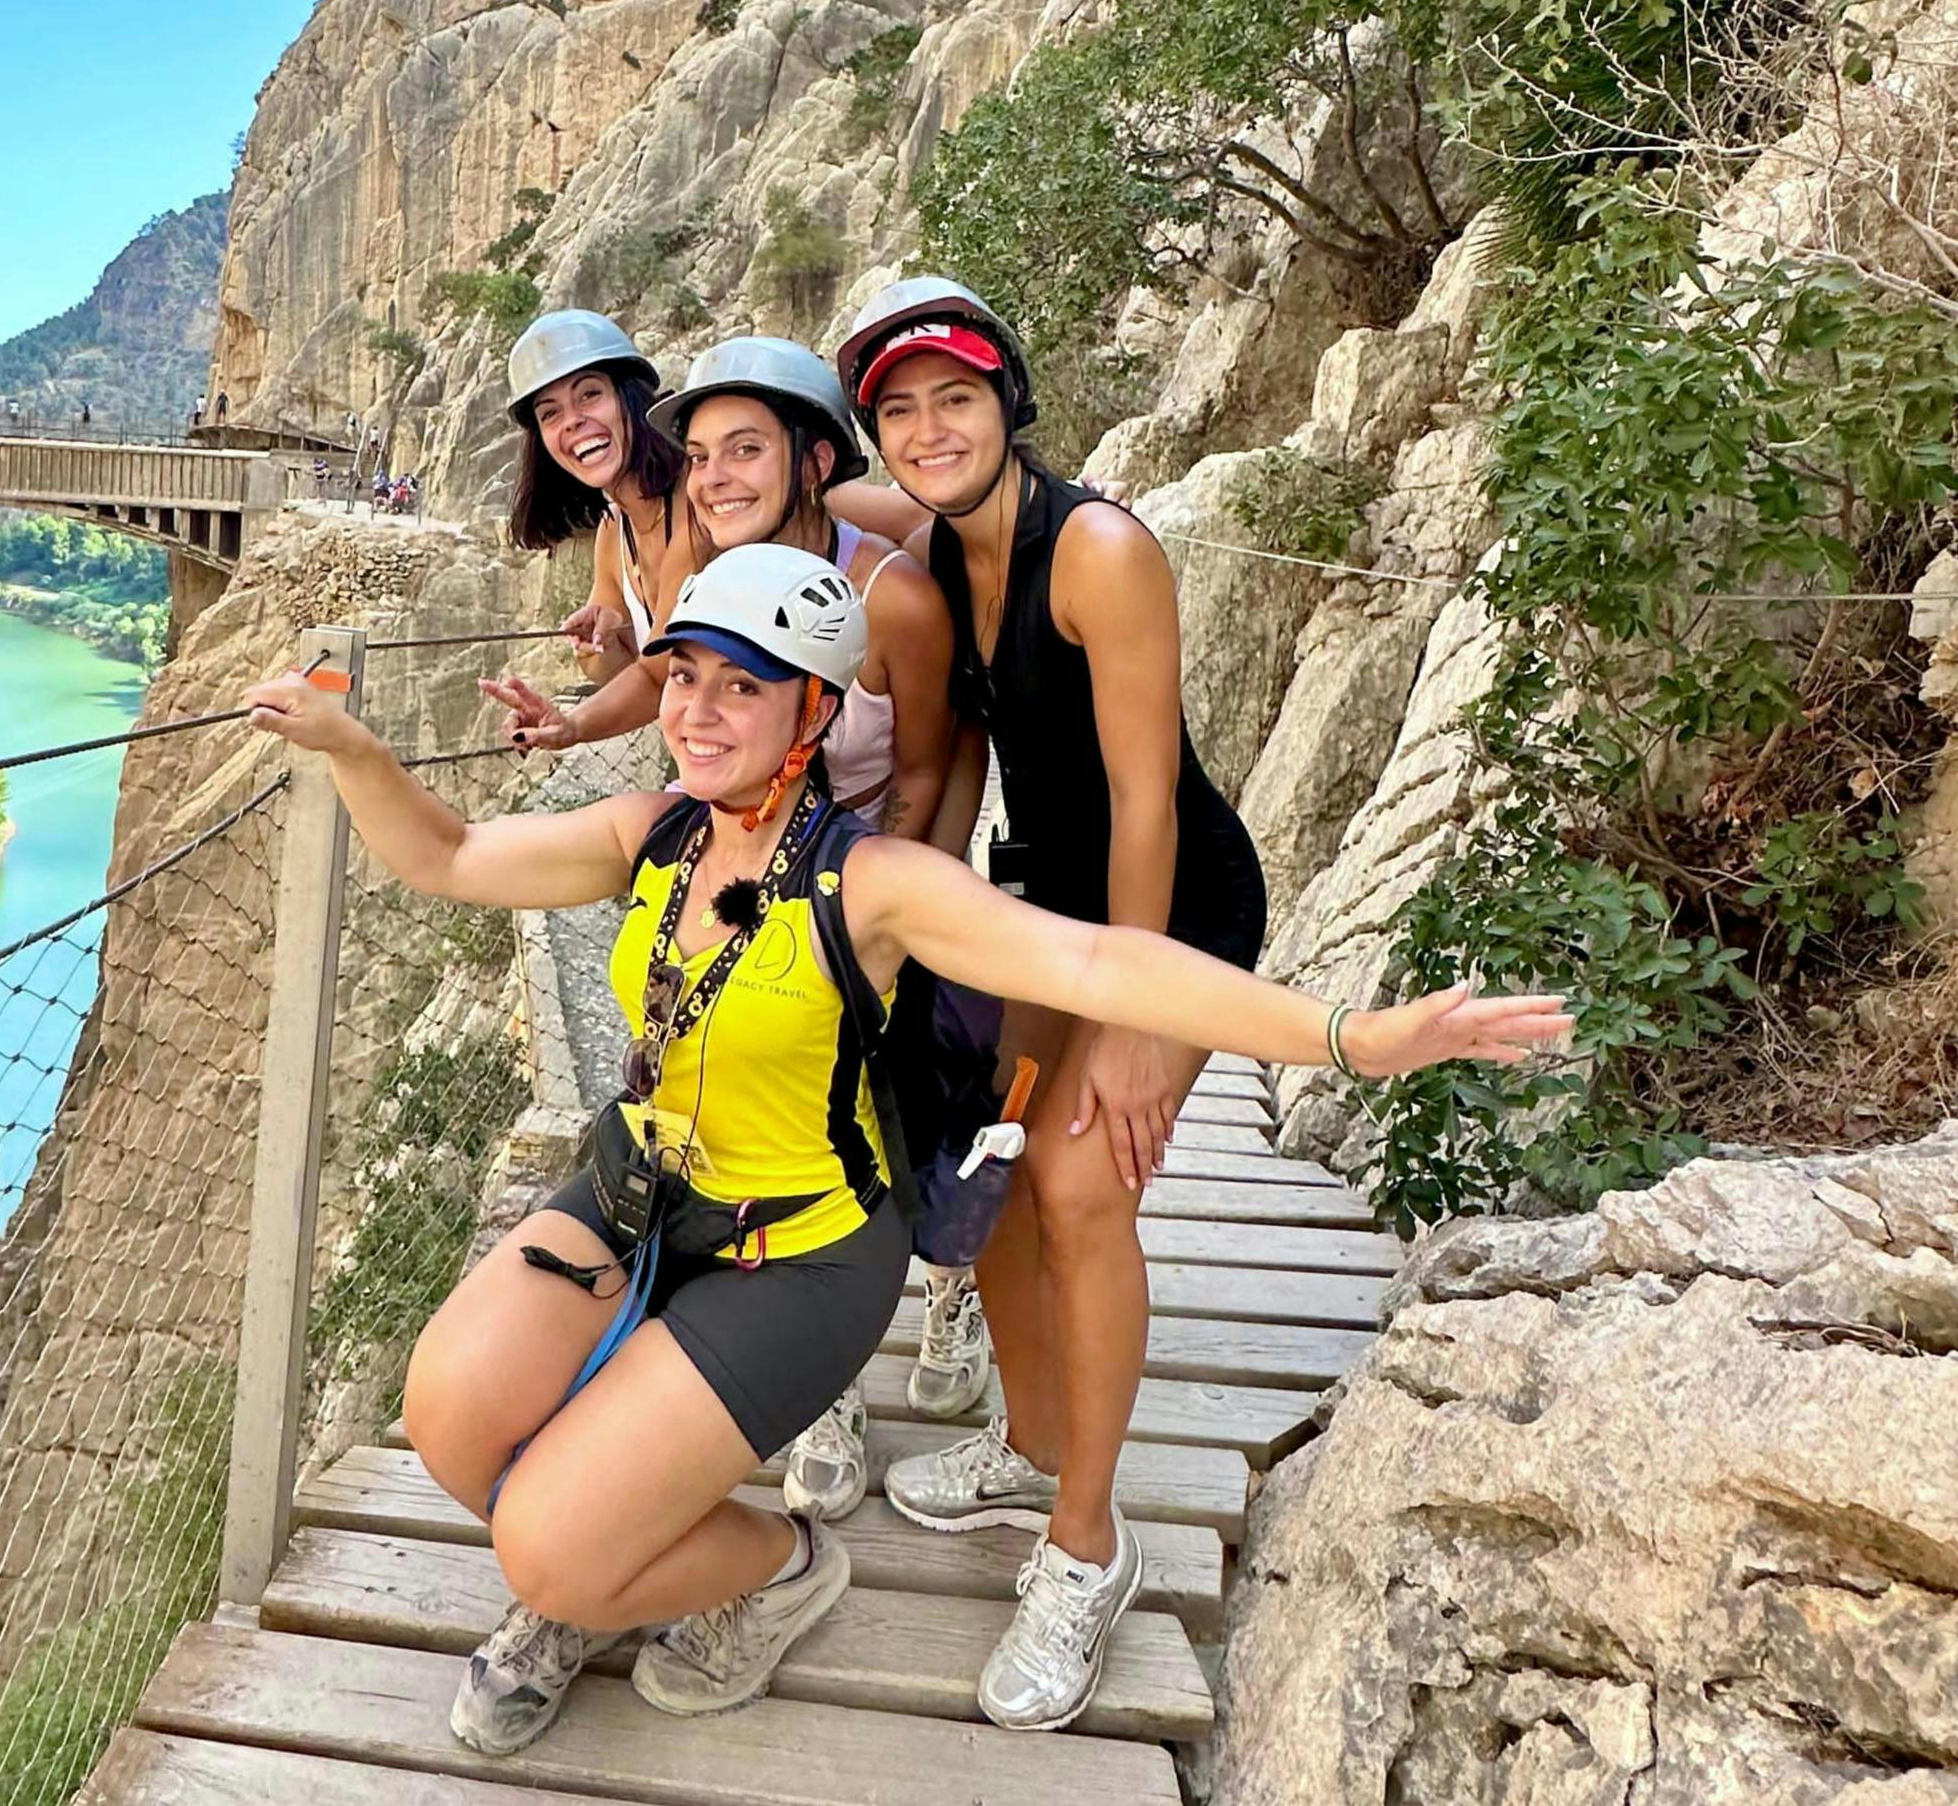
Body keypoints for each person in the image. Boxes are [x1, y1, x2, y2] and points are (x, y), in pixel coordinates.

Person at [239, 542, 1568, 1758]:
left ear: (812, 714)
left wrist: (1348, 1035)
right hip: (639, 1194)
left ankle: (771, 1568)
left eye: (740, 689)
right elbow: (457, 854)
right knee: (453, 1424)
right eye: (683, 676)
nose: (696, 711)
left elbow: (1093, 958)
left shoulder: (869, 882)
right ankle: (604, 1565)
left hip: (799, 1255)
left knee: (541, 1545)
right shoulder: (653, 833)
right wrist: (353, 749)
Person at [826, 276, 1274, 1731]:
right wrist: (907, 945)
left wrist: (1140, 1021)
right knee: (992, 1173)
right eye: (898, 410)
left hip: (1174, 904)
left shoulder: (1100, 551)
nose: (927, 427)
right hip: (1036, 912)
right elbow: (944, 777)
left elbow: (1145, 796)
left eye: (954, 397)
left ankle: (1086, 1543)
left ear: (1007, 405)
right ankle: (1025, 1444)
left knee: (1081, 1188)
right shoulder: (923, 582)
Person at [479, 336, 970, 1516]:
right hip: (733, 859)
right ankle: (821, 1380)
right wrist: (584, 708)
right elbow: (665, 666)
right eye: (701, 455)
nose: (713, 475)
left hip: (861, 879)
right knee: (771, 1118)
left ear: (806, 457)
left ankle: (950, 1276)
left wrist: (898, 902)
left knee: (902, 1105)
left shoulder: (887, 584)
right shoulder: (701, 553)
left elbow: (939, 761)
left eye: (741, 450)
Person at [494, 310, 698, 689]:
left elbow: (657, 675)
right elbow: (611, 671)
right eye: (550, 413)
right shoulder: (614, 529)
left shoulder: (696, 498)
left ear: (630, 398)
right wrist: (599, 639)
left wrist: (570, 727)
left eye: (589, 394)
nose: (572, 421)